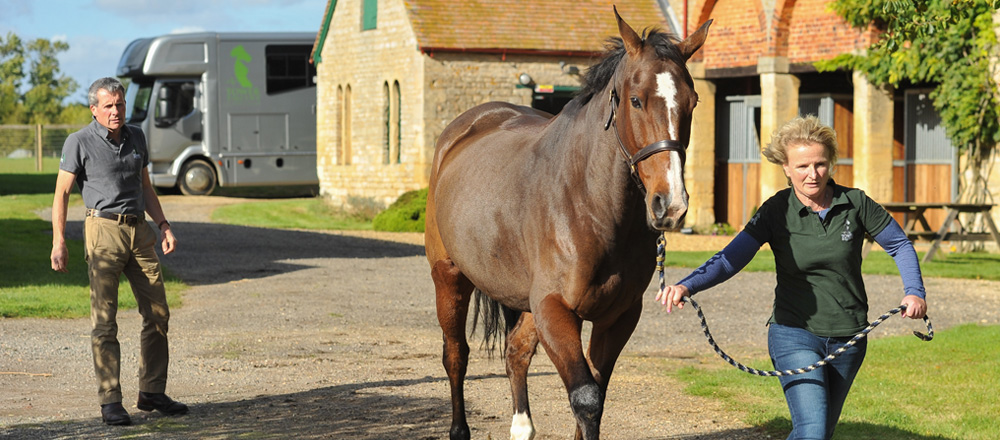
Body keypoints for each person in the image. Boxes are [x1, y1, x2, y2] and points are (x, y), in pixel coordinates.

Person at [656, 116, 927, 440]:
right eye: (802, 166)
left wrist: (914, 291)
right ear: (785, 167)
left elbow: (899, 245)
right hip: (793, 333)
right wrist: (687, 285)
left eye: (820, 164)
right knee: (812, 430)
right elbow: (732, 258)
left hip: (849, 336)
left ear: (831, 163)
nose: (813, 174)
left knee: (817, 431)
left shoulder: (854, 203)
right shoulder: (775, 211)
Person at [50, 77, 188, 426]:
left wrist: (164, 224)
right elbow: (62, 194)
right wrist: (59, 241)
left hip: (139, 232)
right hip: (102, 232)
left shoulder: (136, 135)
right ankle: (111, 400)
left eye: (120, 105)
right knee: (104, 321)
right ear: (94, 109)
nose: (115, 112)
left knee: (158, 313)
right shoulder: (78, 141)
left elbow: (145, 187)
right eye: (108, 106)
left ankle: (151, 391)